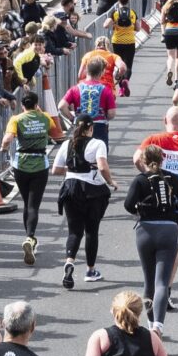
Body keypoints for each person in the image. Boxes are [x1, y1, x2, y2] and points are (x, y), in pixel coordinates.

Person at [122, 142, 178, 332]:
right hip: (169, 230)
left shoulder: (140, 180)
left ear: (143, 160)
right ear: (162, 160)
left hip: (145, 231)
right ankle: (158, 326)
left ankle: (150, 323)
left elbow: (128, 205)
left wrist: (139, 210)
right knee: (162, 282)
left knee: (148, 280)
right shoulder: (173, 179)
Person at [54, 116, 114, 290]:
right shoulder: (97, 143)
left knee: (74, 231)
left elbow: (56, 170)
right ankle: (90, 270)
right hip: (92, 190)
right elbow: (102, 167)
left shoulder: (67, 144)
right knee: (91, 231)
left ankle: (69, 261)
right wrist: (111, 182)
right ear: (91, 128)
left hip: (70, 188)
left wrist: (74, 166)